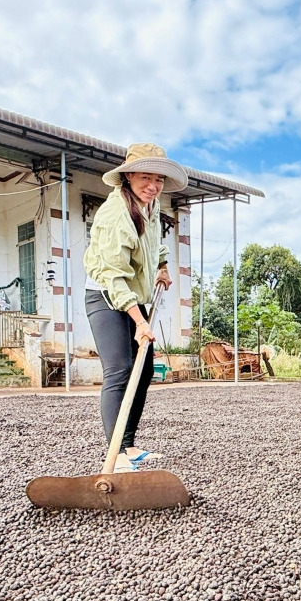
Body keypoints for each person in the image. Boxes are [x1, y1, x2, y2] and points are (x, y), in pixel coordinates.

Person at [84, 143, 187, 472]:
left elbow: (154, 242)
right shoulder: (116, 216)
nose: (153, 186)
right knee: (120, 370)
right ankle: (114, 457)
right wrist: (140, 322)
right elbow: (114, 278)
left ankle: (128, 446)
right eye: (146, 177)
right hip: (106, 295)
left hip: (134, 296)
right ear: (128, 176)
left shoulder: (150, 205)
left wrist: (162, 265)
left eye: (158, 179)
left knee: (143, 371)